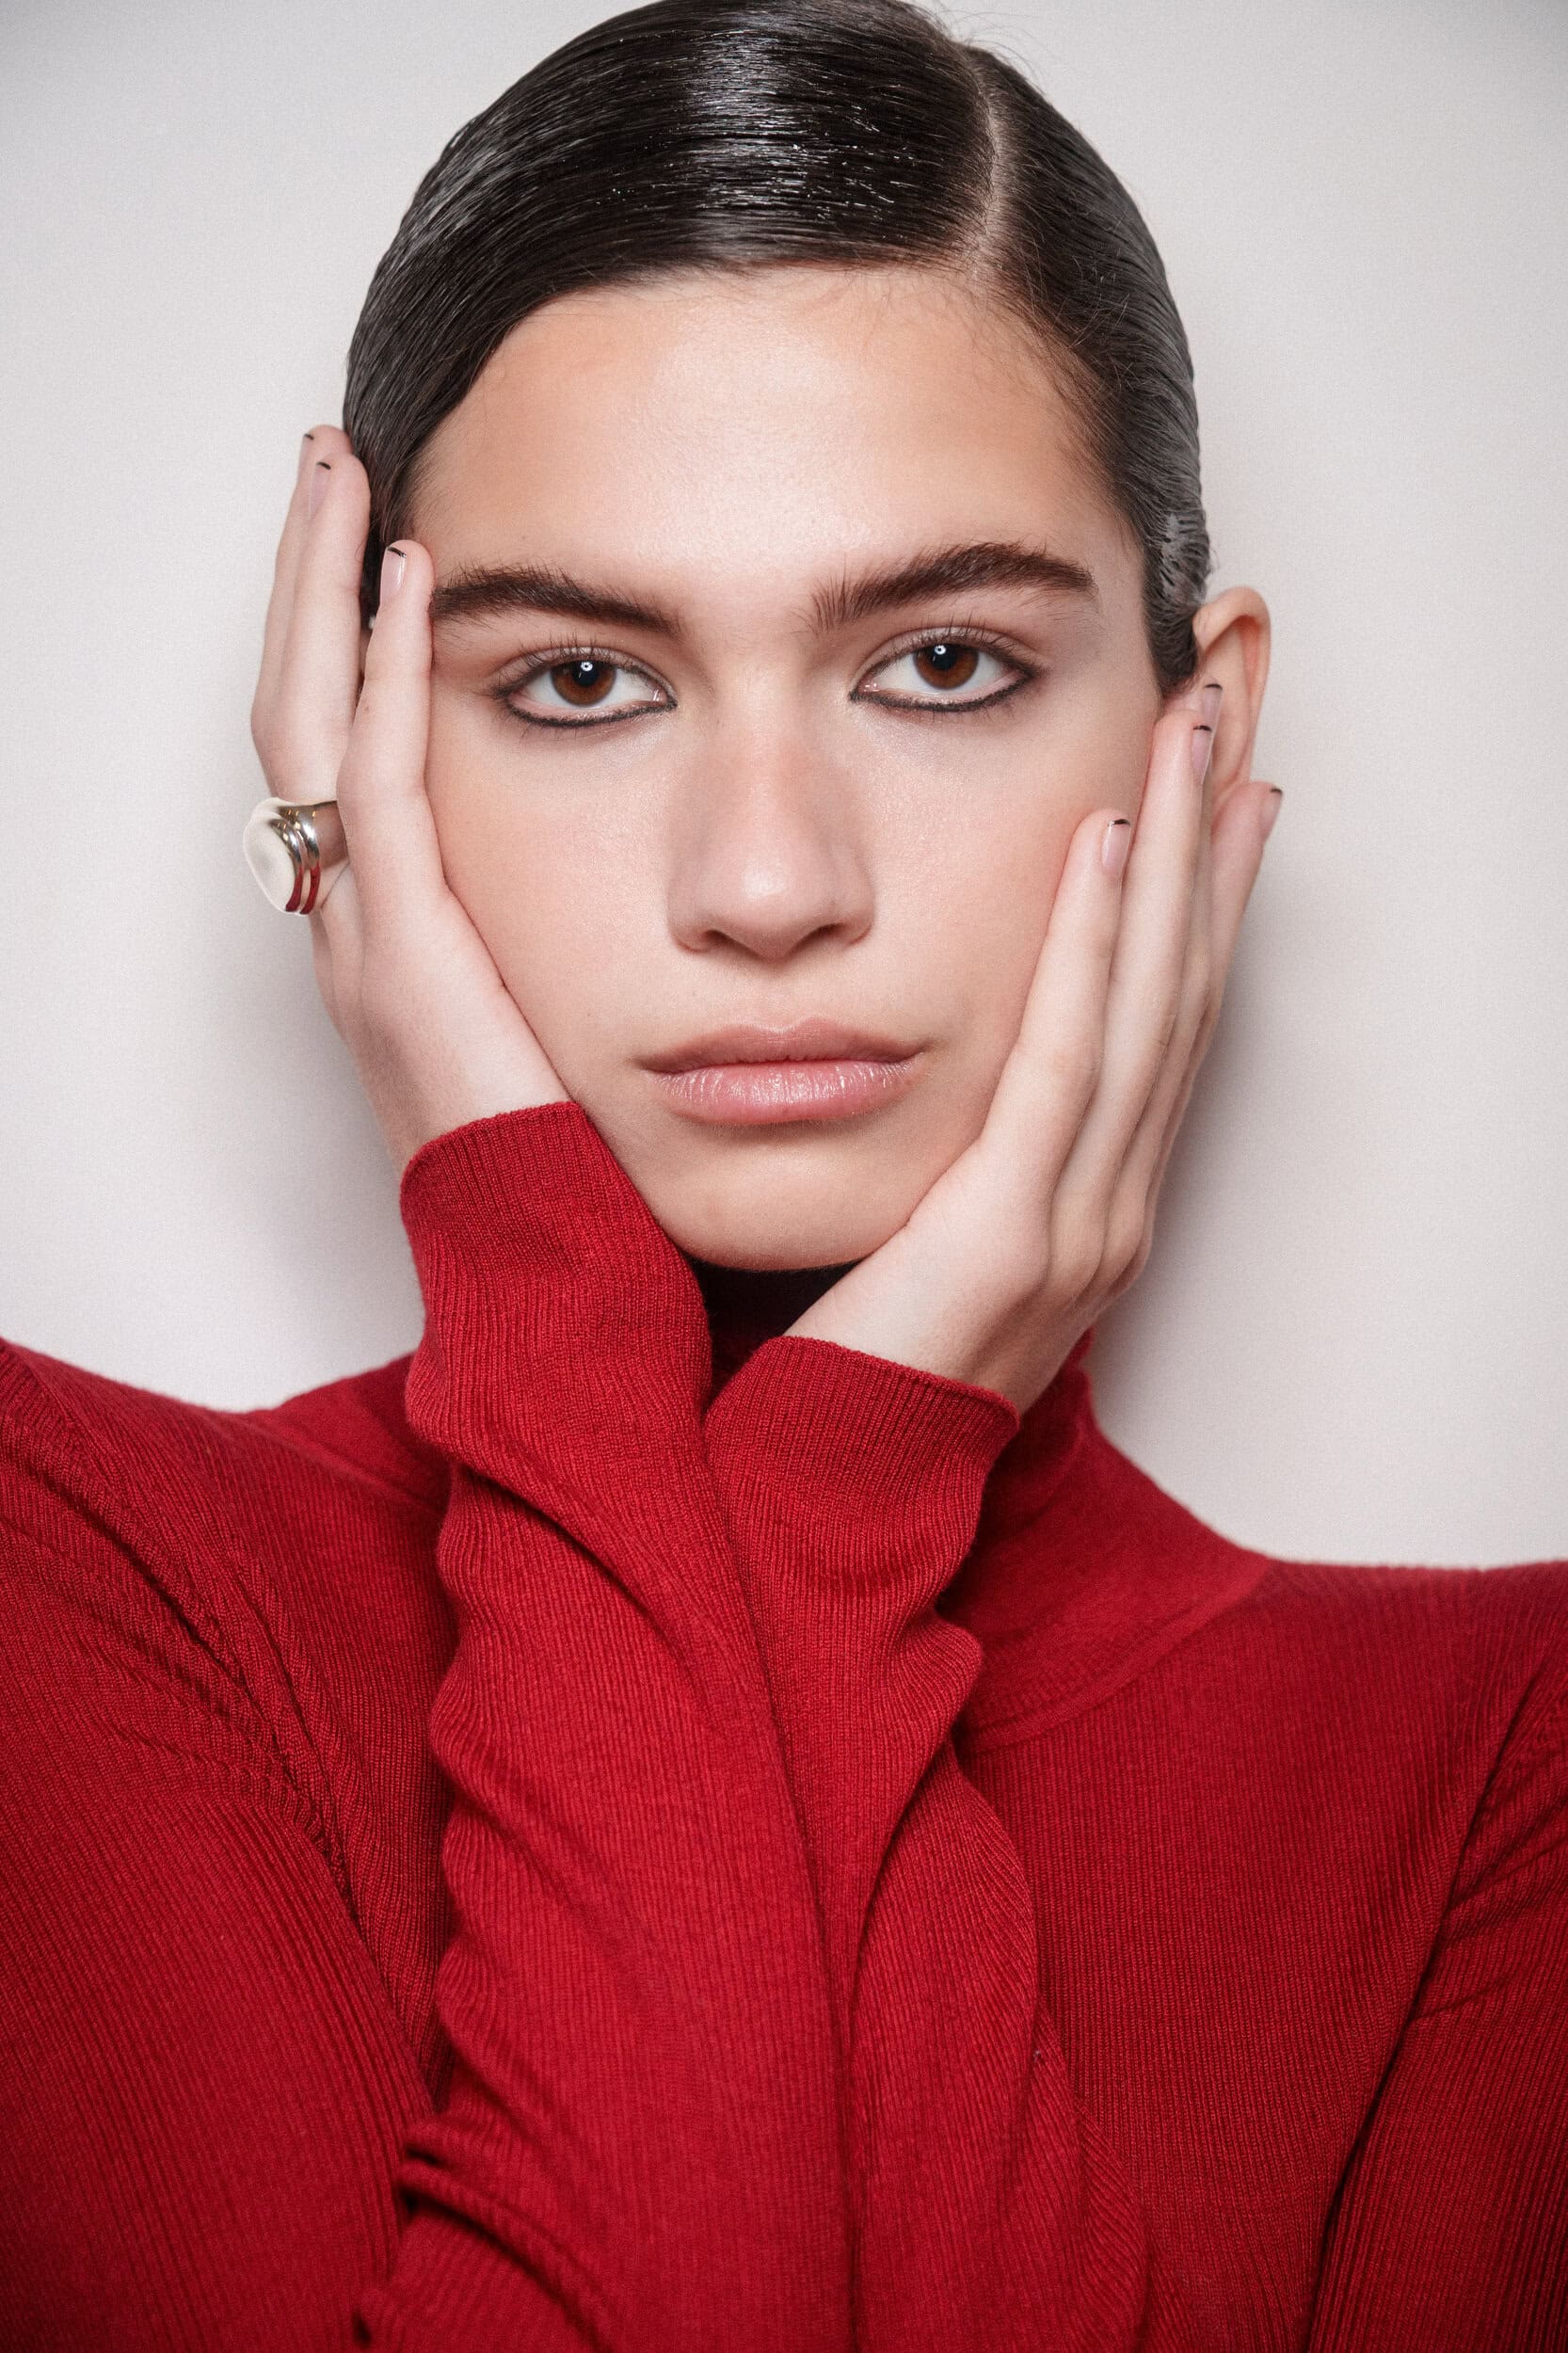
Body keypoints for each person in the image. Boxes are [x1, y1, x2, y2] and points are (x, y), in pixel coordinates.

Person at [3, 0, 1563, 2345]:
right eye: (577, 681)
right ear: (349, 748)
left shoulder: (1509, 1759)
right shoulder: (58, 1561)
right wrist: (793, 1462)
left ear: (1195, 724)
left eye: (937, 663)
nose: (762, 884)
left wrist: (824, 1488)